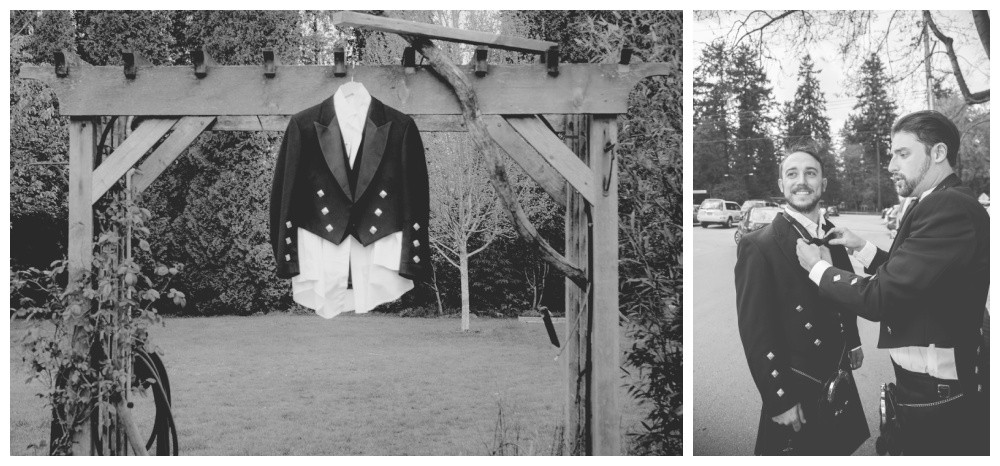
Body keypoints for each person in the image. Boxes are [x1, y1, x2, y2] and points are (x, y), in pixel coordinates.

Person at [796, 110, 989, 455]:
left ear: (939, 153)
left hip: (937, 393)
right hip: (928, 387)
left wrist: (817, 269)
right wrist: (862, 246)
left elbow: (882, 298)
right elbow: (917, 278)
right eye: (892, 154)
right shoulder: (933, 202)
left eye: (903, 154)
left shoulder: (949, 207)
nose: (890, 165)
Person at [735, 145, 869, 455]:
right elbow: (756, 333)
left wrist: (854, 341)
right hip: (797, 383)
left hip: (836, 372)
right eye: (792, 174)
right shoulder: (759, 245)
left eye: (811, 173)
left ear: (824, 183)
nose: (802, 181)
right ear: (781, 185)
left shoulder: (834, 235)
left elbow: (844, 295)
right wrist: (779, 399)